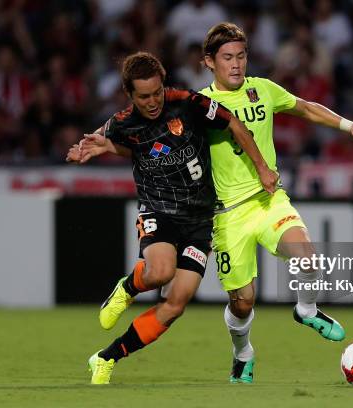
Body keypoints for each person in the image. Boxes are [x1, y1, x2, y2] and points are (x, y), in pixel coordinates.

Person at [66, 51, 278, 385]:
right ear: (130, 95)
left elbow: (235, 124)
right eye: (143, 96)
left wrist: (263, 167)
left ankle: (106, 358)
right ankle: (129, 286)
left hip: (200, 219)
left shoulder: (189, 102)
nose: (152, 102)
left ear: (164, 85)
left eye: (156, 93)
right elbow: (103, 136)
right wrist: (90, 147)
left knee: (176, 304)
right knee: (160, 273)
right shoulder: (123, 121)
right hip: (158, 208)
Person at [198, 22, 353, 383]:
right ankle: (243, 353)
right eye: (227, 58)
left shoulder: (263, 90)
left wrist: (350, 127)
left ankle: (306, 309)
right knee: (242, 303)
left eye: (241, 56)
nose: (236, 64)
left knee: (308, 257)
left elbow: (306, 108)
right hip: (227, 215)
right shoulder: (201, 106)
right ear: (209, 61)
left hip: (269, 200)